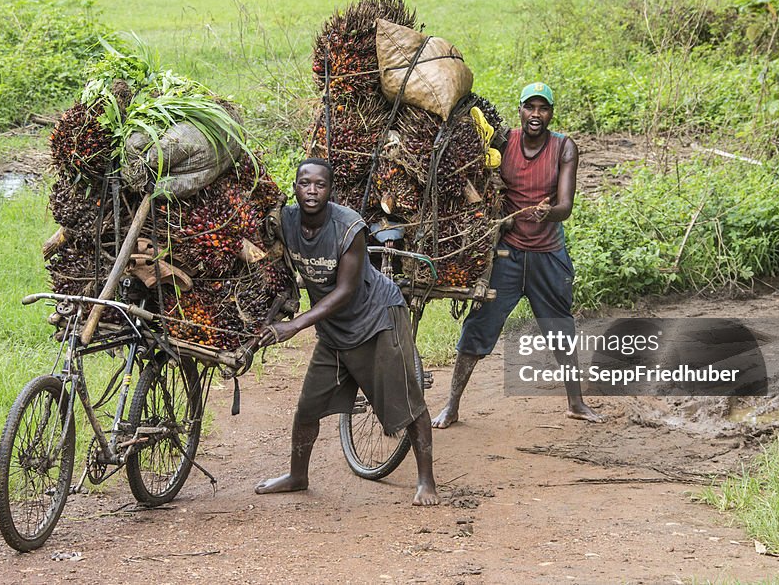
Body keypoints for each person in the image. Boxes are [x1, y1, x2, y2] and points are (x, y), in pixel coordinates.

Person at [255, 158, 439, 506]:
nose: (311, 191)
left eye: (320, 185)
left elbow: (345, 292)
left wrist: (294, 325)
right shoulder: (286, 221)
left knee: (407, 404)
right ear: (294, 187)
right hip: (334, 330)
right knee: (307, 407)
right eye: (304, 183)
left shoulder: (348, 228)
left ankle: (426, 480)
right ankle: (298, 475)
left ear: (331, 190)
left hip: (375, 320)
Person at [432, 82, 602, 428]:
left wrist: (548, 213)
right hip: (506, 255)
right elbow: (479, 181)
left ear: (551, 113)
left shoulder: (564, 147)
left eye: (543, 108)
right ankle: (451, 405)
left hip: (547, 256)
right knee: (478, 327)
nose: (535, 115)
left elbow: (565, 206)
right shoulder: (503, 142)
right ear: (520, 110)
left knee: (560, 329)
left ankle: (576, 402)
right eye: (530, 107)